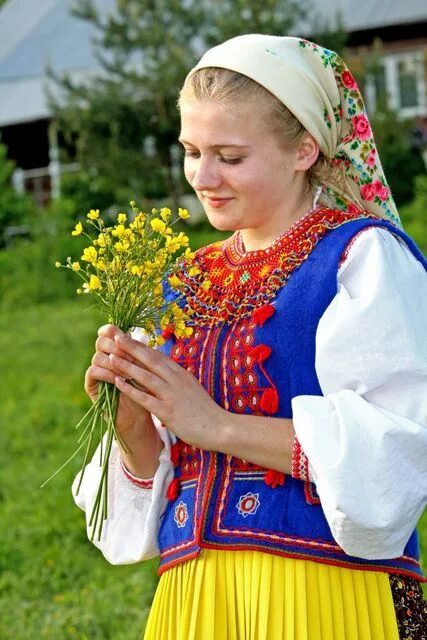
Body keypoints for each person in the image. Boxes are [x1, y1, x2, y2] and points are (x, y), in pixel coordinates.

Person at [73, 34, 427, 639]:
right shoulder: (181, 285)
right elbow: (158, 479)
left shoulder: (360, 259)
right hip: (199, 597)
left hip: (327, 591)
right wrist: (134, 426)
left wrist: (214, 424)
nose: (202, 176)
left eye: (230, 157)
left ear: (304, 150)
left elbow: (400, 446)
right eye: (190, 150)